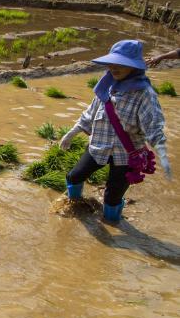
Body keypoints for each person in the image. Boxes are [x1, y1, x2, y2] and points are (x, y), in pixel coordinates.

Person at [59, 40, 171, 222]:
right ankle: (74, 204)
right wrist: (72, 133)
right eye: (112, 63)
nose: (114, 68)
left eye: (121, 64)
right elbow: (90, 112)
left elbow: (154, 123)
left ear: (134, 67)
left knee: (112, 197)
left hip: (126, 155)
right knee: (74, 176)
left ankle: (112, 222)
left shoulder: (144, 94)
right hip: (98, 146)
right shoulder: (106, 86)